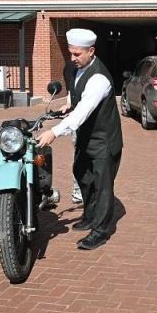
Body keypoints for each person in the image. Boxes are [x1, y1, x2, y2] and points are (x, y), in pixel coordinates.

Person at [36, 29, 123, 250]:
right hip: (85, 137)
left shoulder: (99, 78)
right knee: (82, 174)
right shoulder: (71, 68)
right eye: (70, 53)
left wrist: (54, 132)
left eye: (78, 54)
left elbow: (84, 110)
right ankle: (91, 215)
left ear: (91, 51)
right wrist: (69, 103)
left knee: (103, 186)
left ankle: (101, 231)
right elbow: (75, 95)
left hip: (104, 140)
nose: (73, 58)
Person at [62, 59, 83, 204]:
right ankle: (78, 190)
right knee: (80, 155)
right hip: (78, 123)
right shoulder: (72, 70)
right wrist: (68, 106)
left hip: (84, 121)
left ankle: (81, 190)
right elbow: (71, 93)